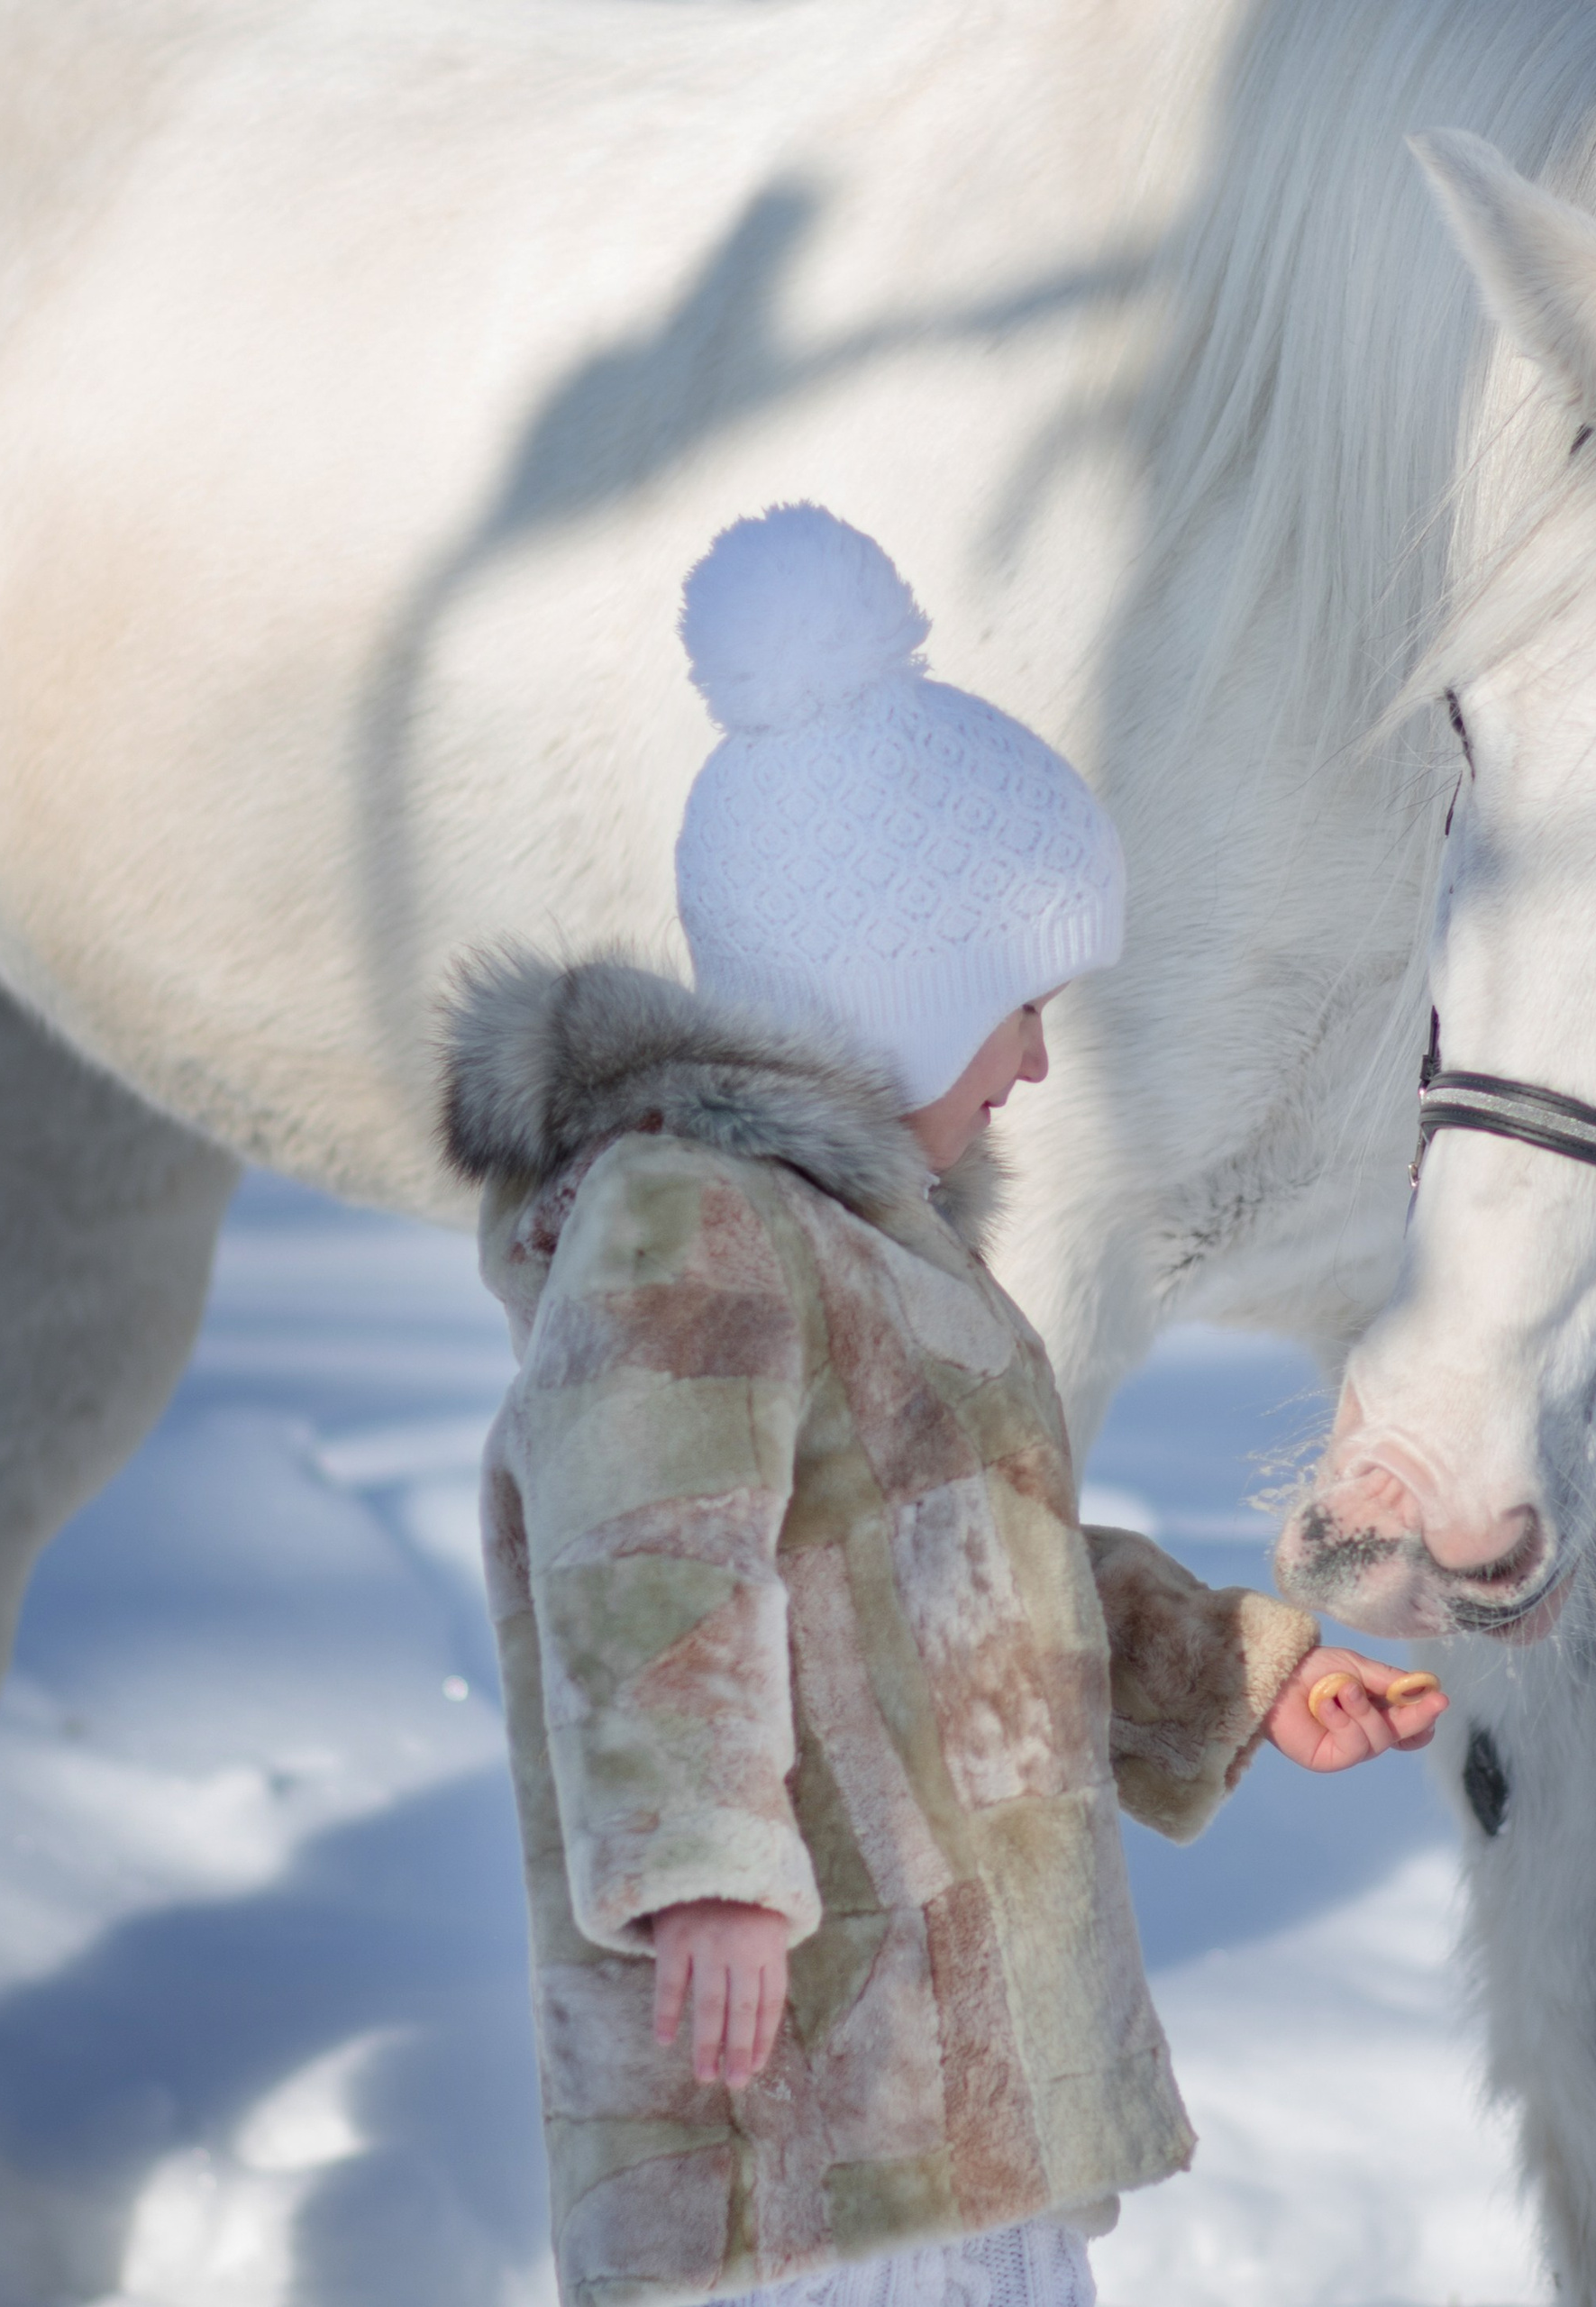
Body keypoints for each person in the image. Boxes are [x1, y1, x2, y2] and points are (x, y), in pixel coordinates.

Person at [437, 505, 1446, 2307]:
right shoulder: (694, 1216)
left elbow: (974, 1583)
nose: (1038, 1058)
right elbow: (640, 1550)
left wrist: (1240, 1667)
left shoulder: (875, 1265)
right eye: (1016, 998)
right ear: (890, 982)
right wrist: (703, 1863)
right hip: (794, 2119)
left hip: (956, 2114)